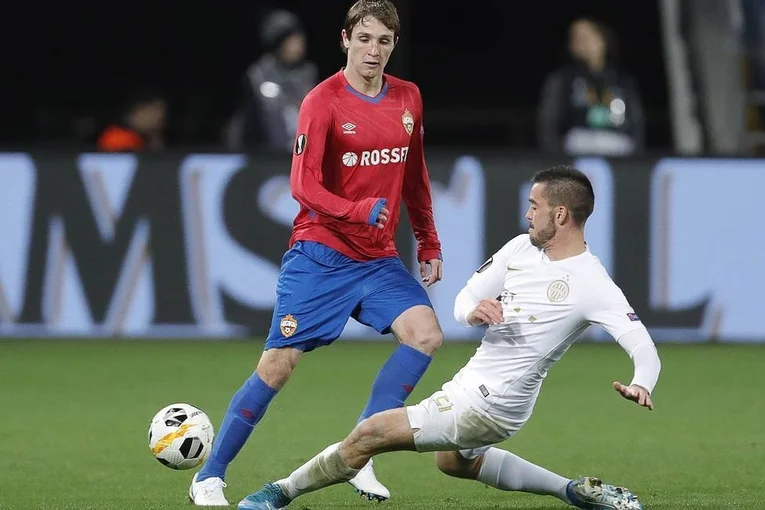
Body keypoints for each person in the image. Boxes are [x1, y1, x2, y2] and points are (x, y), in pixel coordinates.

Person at [237, 165, 661, 510]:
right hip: (474, 384)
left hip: (493, 402)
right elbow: (464, 300)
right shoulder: (520, 249)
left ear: (562, 215)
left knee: (369, 433)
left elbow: (642, 345)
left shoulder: (592, 282)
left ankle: (278, 493)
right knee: (453, 462)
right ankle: (574, 492)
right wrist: (473, 312)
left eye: (535, 206)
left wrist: (642, 381)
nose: (528, 214)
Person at [189, 0, 444, 506]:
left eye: (384, 41)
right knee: (278, 365)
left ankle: (359, 456)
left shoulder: (408, 97)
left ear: (394, 45)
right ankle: (209, 477)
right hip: (321, 253)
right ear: (345, 39)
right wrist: (355, 210)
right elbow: (302, 185)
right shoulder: (322, 101)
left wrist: (428, 240)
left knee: (425, 335)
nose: (373, 51)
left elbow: (414, 176)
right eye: (364, 39)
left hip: (377, 259)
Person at [536, 18, 646, 156]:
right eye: (575, 37)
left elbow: (636, 122)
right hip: (578, 146)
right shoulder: (562, 79)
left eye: (586, 36)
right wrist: (554, 156)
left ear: (603, 40)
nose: (581, 41)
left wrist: (637, 154)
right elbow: (549, 123)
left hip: (618, 145)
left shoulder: (623, 81)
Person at [224, 9, 318, 152]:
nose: (299, 43)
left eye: (299, 37)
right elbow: (245, 123)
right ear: (278, 42)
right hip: (268, 156)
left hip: (302, 154)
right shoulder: (258, 75)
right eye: (292, 39)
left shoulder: (308, 73)